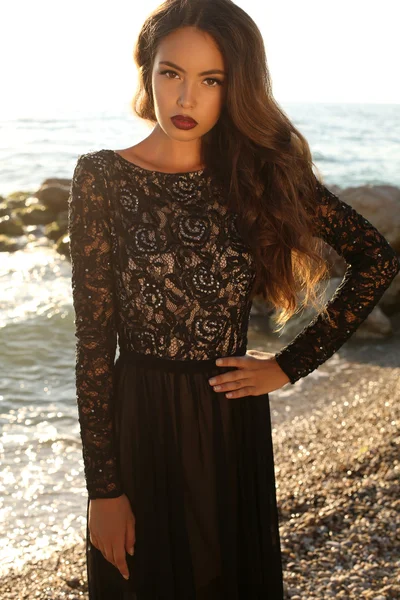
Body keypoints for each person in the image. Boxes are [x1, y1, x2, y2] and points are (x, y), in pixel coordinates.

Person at [67, 0, 400, 598]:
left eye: (211, 80)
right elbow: (93, 344)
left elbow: (376, 257)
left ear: (235, 86)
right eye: (172, 73)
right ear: (147, 71)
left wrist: (287, 366)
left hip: (229, 419)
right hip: (138, 422)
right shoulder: (101, 178)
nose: (186, 98)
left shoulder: (259, 176)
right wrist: (103, 489)